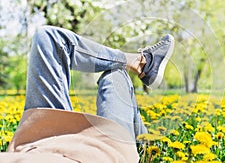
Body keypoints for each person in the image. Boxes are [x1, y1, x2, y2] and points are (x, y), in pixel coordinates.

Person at [0, 26, 174, 163]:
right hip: (106, 150)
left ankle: (139, 63)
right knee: (114, 75)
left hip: (38, 139)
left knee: (47, 38)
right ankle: (146, 145)